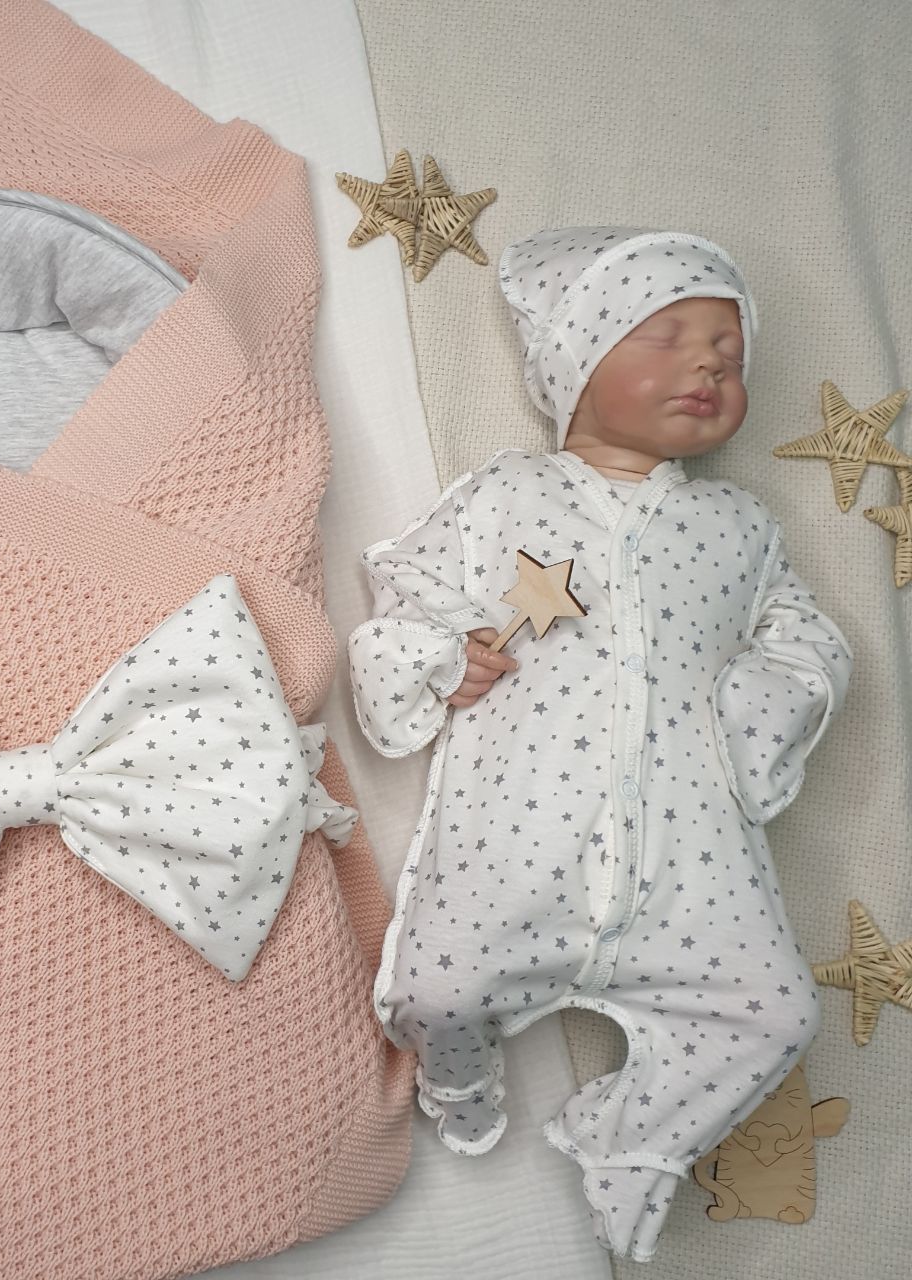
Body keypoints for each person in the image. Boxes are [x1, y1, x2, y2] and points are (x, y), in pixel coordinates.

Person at [347, 227, 854, 1261]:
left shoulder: (738, 526)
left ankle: (631, 1143)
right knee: (434, 991)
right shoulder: (505, 497)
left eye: (728, 353)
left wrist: (756, 703)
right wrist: (439, 659)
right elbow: (403, 601)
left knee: (773, 1014)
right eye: (669, 337)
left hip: (693, 859)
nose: (708, 365)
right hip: (517, 840)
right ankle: (456, 1077)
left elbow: (808, 641)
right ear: (576, 363)